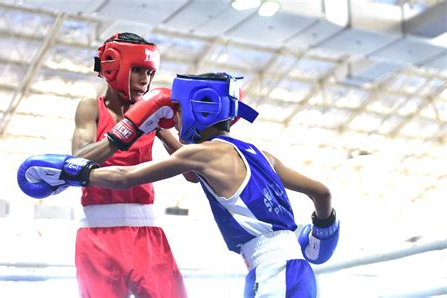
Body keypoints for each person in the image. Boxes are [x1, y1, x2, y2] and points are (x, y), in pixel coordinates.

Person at [18, 72, 340, 297]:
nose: (176, 119)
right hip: (294, 268)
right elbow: (321, 193)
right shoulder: (260, 154)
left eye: (181, 111)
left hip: (273, 273)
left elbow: (124, 177)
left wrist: (72, 171)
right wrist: (321, 232)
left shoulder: (202, 154)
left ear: (202, 107)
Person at [38, 32, 189, 298]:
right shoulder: (90, 108)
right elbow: (77, 162)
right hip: (97, 235)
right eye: (138, 70)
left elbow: (192, 174)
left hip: (145, 233)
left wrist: (183, 131)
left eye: (150, 72)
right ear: (115, 68)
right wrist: (128, 128)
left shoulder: (151, 112)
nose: (145, 80)